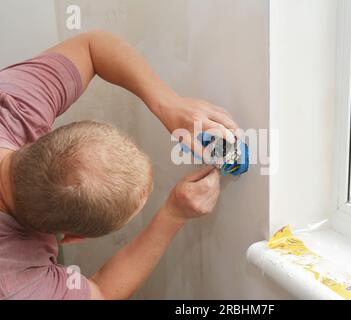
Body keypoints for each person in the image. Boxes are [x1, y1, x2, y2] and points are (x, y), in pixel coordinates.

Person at [0, 30, 239, 299]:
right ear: (72, 237)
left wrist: (168, 104)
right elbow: (100, 293)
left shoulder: (14, 106)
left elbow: (93, 48)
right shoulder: (16, 284)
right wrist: (173, 215)